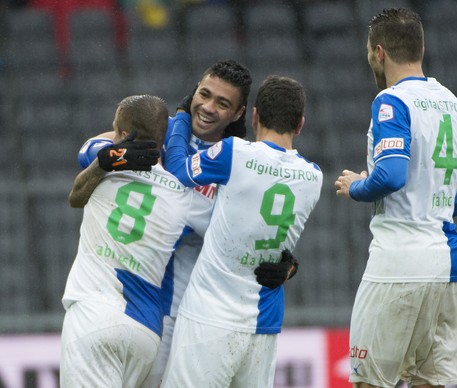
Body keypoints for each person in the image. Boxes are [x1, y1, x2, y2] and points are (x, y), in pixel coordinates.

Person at [71, 60, 298, 388]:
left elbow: (262, 230)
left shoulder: (238, 162)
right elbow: (89, 150)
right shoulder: (160, 136)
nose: (207, 107)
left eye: (222, 103)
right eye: (204, 94)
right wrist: (115, 156)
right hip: (141, 303)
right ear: (193, 92)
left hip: (198, 316)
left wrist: (287, 265)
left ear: (238, 114)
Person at [334, 8, 457, 388]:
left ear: (378, 52)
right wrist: (440, 204)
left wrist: (357, 188)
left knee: (370, 383)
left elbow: (392, 174)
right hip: (448, 271)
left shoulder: (390, 102)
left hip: (398, 267)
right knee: (429, 382)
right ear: (420, 48)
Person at [160, 75, 323, 387]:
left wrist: (181, 117)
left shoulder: (235, 153)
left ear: (255, 116)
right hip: (264, 322)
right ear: (300, 124)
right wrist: (290, 266)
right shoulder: (313, 176)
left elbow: (180, 171)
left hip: (211, 315)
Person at [61, 94, 197, 387]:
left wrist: (114, 155)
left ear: (122, 134)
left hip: (94, 314)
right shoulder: (183, 198)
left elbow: (80, 183)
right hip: (145, 332)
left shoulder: (105, 170)